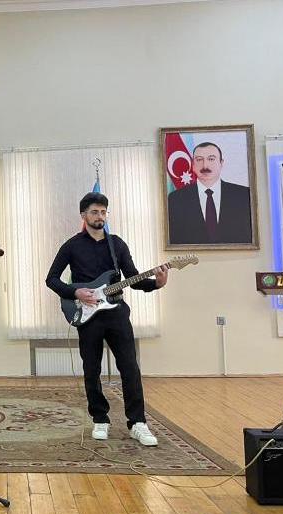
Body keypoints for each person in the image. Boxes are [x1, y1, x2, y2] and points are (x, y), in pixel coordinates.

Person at [45, 192, 168, 446]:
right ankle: (100, 419)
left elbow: (133, 278)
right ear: (83, 215)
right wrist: (75, 292)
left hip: (116, 313)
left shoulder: (117, 245)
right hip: (88, 315)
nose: (99, 216)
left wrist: (156, 283)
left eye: (103, 212)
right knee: (92, 369)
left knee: (130, 367)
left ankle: (138, 423)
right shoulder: (71, 246)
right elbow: (52, 279)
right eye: (94, 212)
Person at [167, 141, 252, 244]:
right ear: (193, 165)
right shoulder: (175, 199)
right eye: (199, 160)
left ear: (221, 163)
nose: (205, 166)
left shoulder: (244, 195)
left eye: (211, 159)